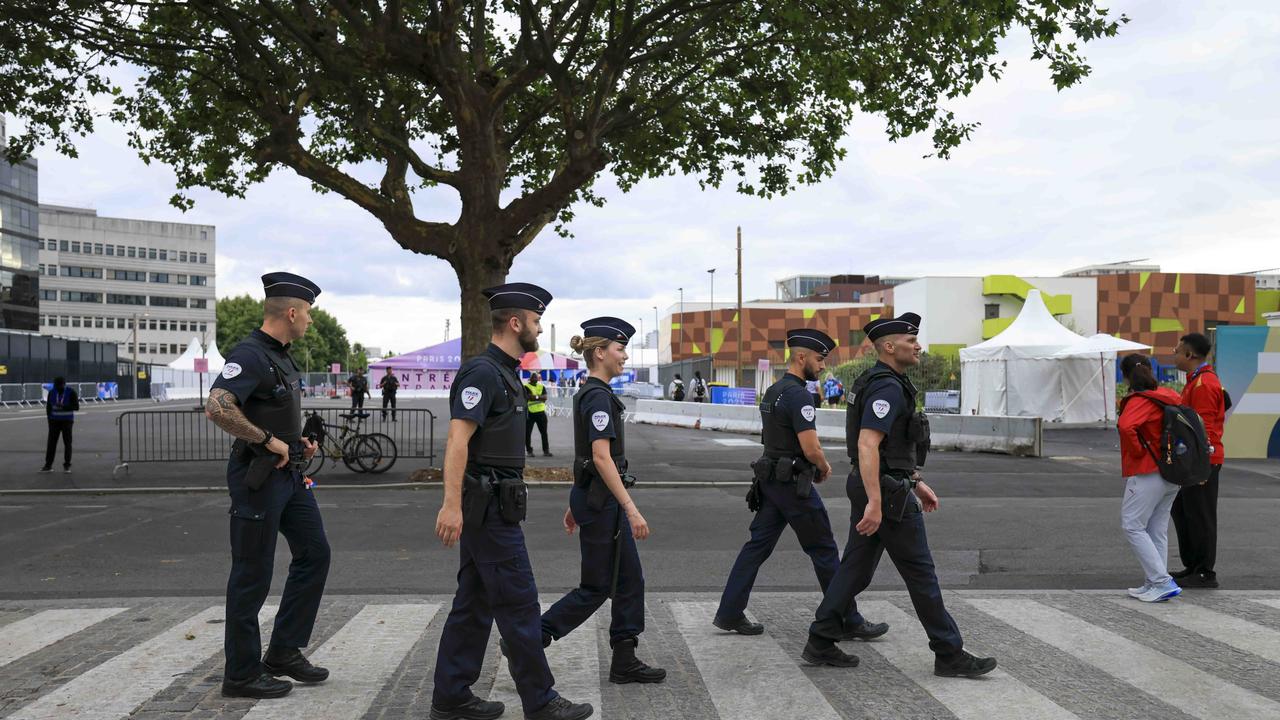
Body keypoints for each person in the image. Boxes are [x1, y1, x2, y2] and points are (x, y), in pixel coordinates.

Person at [431, 282, 592, 720]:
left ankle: (450, 696)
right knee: (520, 602)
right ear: (516, 323)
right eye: (536, 321)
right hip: (488, 507)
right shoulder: (482, 373)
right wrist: (451, 504)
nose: (539, 330)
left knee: (474, 603)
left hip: (494, 505)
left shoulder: (505, 373)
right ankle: (540, 701)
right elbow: (457, 440)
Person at [806, 312, 996, 677]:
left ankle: (820, 640)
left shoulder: (875, 381)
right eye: (911, 342)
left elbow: (891, 446)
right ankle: (949, 653)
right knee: (921, 574)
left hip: (881, 485)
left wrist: (915, 480)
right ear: (890, 347)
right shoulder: (887, 386)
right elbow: (868, 444)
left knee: (855, 570)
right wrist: (878, 501)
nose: (919, 346)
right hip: (885, 493)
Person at [204, 272, 327, 699]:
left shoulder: (283, 355)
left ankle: (283, 652)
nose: (310, 321)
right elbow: (217, 406)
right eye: (308, 314)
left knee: (315, 554)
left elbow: (275, 410)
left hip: (290, 474)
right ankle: (240, 674)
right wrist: (266, 439)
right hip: (258, 477)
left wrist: (299, 444)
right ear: (291, 312)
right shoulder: (251, 354)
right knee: (251, 575)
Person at [528, 317, 666, 684]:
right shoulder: (598, 397)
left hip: (594, 498)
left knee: (627, 581)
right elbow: (601, 457)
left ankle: (624, 658)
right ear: (600, 352)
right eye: (620, 350)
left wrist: (576, 502)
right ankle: (532, 639)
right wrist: (631, 508)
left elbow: (584, 458)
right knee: (599, 586)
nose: (624, 357)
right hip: (604, 503)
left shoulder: (590, 393)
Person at [713, 329, 870, 638]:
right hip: (793, 484)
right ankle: (848, 619)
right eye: (819, 359)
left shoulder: (773, 391)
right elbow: (811, 447)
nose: (823, 365)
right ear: (802, 357)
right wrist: (823, 467)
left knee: (756, 547)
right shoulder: (800, 395)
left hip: (770, 481)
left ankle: (730, 611)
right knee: (824, 549)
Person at [1117, 353, 1184, 603]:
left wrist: (1137, 451)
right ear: (1150, 371)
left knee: (1132, 524)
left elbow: (1126, 427)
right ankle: (1154, 582)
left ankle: (1160, 581)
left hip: (1147, 471)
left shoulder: (1138, 400)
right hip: (1172, 471)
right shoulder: (1168, 396)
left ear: (1126, 376)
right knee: (1157, 528)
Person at [1169, 333, 1225, 588]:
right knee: (1183, 510)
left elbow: (1203, 429)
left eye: (1178, 350)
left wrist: (1200, 461)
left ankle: (1204, 571)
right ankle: (1193, 565)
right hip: (1197, 460)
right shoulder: (1197, 381)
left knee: (1200, 514)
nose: (1174, 353)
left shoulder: (1203, 385)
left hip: (1202, 460)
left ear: (1190, 355)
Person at [40, 377, 79, 473]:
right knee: (51, 443)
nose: (57, 388)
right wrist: (49, 419)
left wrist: (64, 406)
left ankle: (67, 465)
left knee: (67, 443)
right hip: (54, 421)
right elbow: (48, 408)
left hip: (67, 421)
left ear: (64, 384)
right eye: (56, 386)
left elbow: (76, 407)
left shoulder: (71, 392)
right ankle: (48, 465)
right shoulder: (52, 392)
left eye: (59, 386)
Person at [524, 372, 552, 457]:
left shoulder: (541, 386)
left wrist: (535, 397)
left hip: (541, 413)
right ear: (530, 379)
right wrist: (539, 397)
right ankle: (529, 451)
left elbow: (545, 397)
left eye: (536, 378)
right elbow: (528, 397)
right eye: (533, 378)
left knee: (544, 433)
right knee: (528, 433)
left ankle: (546, 451)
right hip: (530, 413)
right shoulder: (526, 387)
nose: (535, 379)